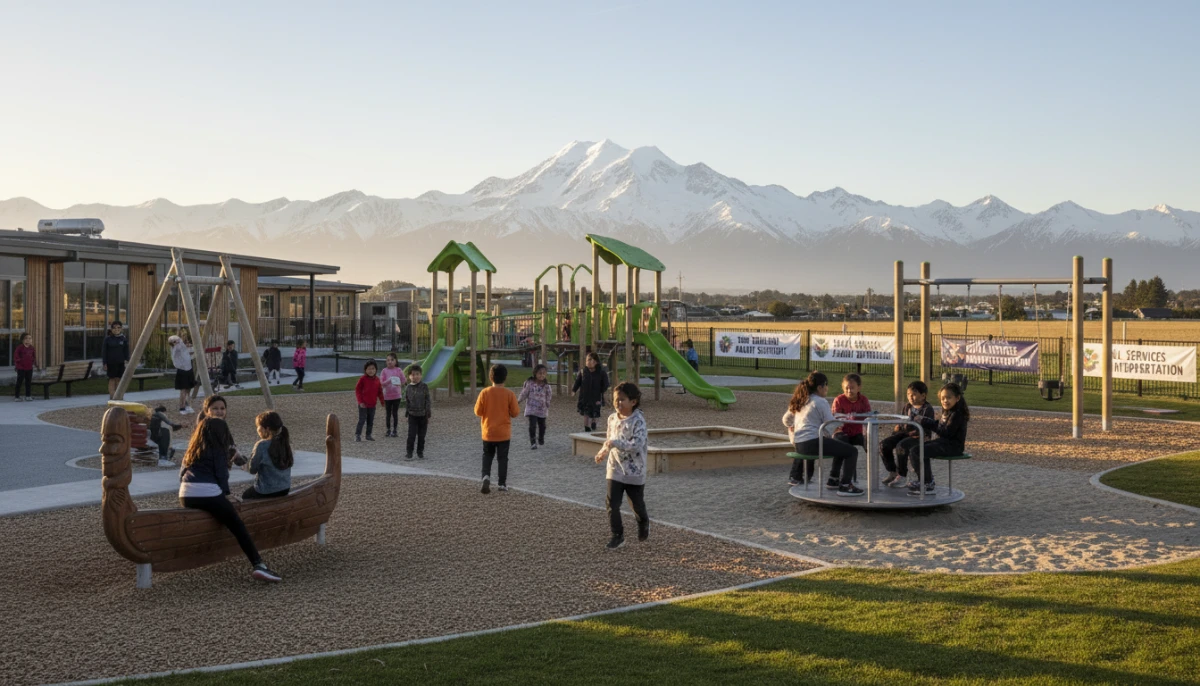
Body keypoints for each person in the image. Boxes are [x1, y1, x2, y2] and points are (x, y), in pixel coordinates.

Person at [178, 416, 282, 582]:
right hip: (207, 493)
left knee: (213, 514)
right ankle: (259, 565)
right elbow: (221, 473)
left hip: (186, 494)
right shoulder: (217, 449)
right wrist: (227, 494)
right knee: (237, 524)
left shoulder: (193, 448)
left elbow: (182, 473)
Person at [782, 371, 862, 496]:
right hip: (813, 443)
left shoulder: (802, 399)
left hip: (799, 444)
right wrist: (841, 421)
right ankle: (845, 486)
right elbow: (829, 426)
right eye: (826, 386)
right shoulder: (820, 401)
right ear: (820, 387)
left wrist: (793, 427)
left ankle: (833, 479)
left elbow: (786, 419)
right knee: (852, 451)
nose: (827, 389)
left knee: (841, 447)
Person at [594, 381, 649, 550]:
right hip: (615, 467)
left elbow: (636, 444)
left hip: (634, 470)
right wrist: (603, 452)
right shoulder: (612, 418)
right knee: (612, 503)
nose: (618, 403)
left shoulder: (638, 421)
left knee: (636, 504)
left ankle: (643, 521)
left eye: (622, 400)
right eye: (616, 399)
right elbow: (609, 439)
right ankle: (617, 535)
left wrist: (614, 442)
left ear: (633, 402)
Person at [898, 382, 970, 496]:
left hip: (953, 446)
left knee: (917, 451)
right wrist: (928, 422)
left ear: (957, 398)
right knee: (915, 449)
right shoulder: (948, 412)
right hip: (945, 443)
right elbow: (941, 428)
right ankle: (925, 480)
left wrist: (926, 422)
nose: (945, 401)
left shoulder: (957, 414)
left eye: (948, 398)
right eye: (942, 398)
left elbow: (946, 432)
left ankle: (927, 482)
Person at [475, 364, 521, 493]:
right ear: (505, 378)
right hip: (503, 433)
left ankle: (485, 476)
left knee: (487, 455)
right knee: (502, 458)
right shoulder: (509, 394)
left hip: (488, 432)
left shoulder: (484, 392)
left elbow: (478, 411)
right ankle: (501, 483)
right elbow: (515, 413)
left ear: (491, 378)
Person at [880, 380, 934, 488]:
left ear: (923, 396)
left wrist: (915, 431)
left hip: (919, 436)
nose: (910, 397)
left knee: (902, 446)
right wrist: (896, 431)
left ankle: (902, 475)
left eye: (914, 394)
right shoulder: (907, 407)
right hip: (904, 433)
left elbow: (928, 426)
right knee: (884, 444)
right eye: (908, 394)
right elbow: (901, 423)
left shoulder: (927, 409)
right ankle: (892, 471)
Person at [242, 410, 293, 499]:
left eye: (258, 427)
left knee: (245, 496)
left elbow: (252, 470)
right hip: (285, 488)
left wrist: (245, 465)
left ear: (267, 429)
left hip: (266, 490)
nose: (257, 429)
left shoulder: (262, 445)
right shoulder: (284, 442)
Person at [830, 373, 871, 484]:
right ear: (842, 388)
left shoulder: (863, 400)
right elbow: (835, 417)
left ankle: (873, 475)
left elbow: (868, 415)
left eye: (852, 388)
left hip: (856, 433)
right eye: (846, 388)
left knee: (870, 444)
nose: (849, 391)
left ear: (859, 387)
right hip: (841, 432)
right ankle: (834, 477)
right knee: (842, 445)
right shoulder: (839, 400)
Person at [517, 363, 553, 450]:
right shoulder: (530, 384)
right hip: (531, 408)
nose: (542, 375)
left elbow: (549, 395)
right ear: (535, 373)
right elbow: (524, 393)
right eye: (540, 373)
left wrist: (547, 403)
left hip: (542, 409)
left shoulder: (546, 386)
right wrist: (518, 401)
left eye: (544, 373)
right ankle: (533, 442)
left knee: (542, 426)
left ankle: (541, 437)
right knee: (532, 425)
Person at [572, 352, 609, 433]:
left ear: (595, 362)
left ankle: (594, 422)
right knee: (586, 412)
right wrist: (574, 390)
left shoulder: (601, 373)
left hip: (596, 396)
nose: (587, 362)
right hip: (585, 396)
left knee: (595, 411)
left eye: (589, 360)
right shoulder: (583, 372)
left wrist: (602, 391)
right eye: (586, 360)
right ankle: (586, 427)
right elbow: (577, 382)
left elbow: (606, 383)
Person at [403, 364, 432, 460]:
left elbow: (427, 400)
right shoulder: (408, 388)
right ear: (409, 376)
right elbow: (407, 402)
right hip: (412, 415)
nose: (415, 376)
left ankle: (420, 452)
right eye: (413, 374)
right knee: (411, 435)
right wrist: (407, 415)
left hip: (423, 415)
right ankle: (409, 453)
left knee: (421, 436)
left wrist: (428, 414)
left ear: (421, 375)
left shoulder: (424, 387)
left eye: (418, 374)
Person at [354, 360, 385, 442]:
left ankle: (368, 435)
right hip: (363, 404)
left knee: (370, 421)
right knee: (362, 420)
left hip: (372, 404)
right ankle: (357, 434)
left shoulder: (377, 380)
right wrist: (360, 402)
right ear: (365, 370)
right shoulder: (362, 379)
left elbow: (380, 392)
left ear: (376, 370)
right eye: (369, 369)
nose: (371, 371)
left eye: (373, 369)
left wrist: (382, 401)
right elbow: (357, 390)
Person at [380, 352, 406, 438]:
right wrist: (389, 380)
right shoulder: (384, 371)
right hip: (387, 396)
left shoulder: (398, 370)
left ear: (396, 361)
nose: (390, 362)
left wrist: (398, 383)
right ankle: (388, 429)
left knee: (395, 413)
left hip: (396, 396)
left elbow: (403, 381)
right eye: (388, 360)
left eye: (392, 360)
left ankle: (395, 430)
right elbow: (382, 383)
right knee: (388, 413)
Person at [102, 320, 130, 399]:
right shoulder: (108, 339)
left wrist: (128, 360)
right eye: (114, 328)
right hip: (111, 363)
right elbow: (104, 352)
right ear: (111, 329)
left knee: (118, 379)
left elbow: (126, 351)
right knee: (112, 379)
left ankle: (119, 396)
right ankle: (112, 396)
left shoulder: (123, 339)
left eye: (118, 328)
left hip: (120, 362)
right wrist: (104, 363)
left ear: (121, 329)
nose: (116, 329)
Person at [169, 334, 196, 415]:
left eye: (177, 340)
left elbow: (188, 353)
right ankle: (182, 407)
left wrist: (191, 348)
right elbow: (178, 349)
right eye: (175, 341)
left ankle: (187, 405)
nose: (177, 342)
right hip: (182, 371)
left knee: (188, 389)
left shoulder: (182, 347)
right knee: (183, 390)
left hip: (189, 369)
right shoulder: (175, 349)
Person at [13, 332, 37, 402]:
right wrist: (20, 362)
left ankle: (28, 396)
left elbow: (33, 357)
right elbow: (16, 357)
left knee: (28, 382)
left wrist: (33, 362)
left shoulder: (32, 348)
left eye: (30, 338)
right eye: (26, 338)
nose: (28, 340)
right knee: (19, 382)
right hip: (21, 368)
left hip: (29, 368)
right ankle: (17, 397)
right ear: (22, 340)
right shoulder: (19, 348)